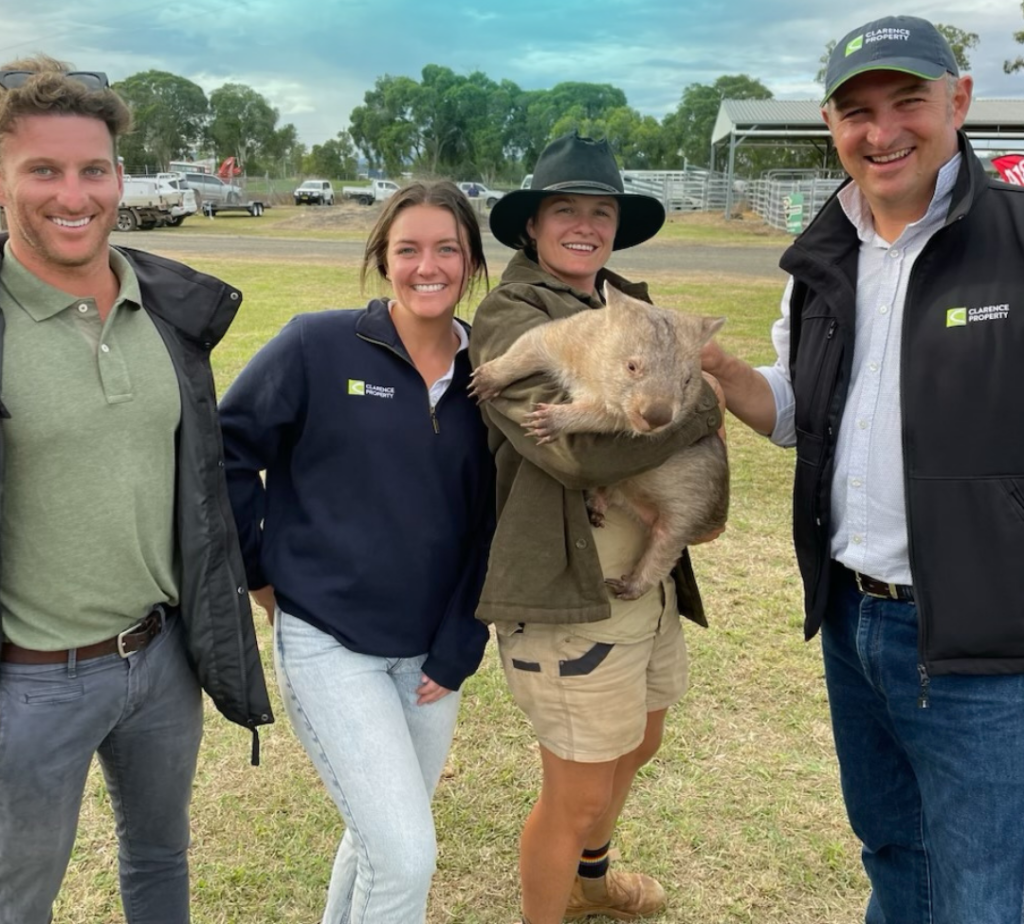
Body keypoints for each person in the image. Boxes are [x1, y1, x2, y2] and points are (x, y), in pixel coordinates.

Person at [702, 14, 1024, 923]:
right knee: (892, 852)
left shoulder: (1015, 240)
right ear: (830, 125)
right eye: (856, 112)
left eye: (907, 102)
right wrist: (719, 371)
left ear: (959, 101)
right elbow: (802, 413)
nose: (881, 133)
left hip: (985, 643)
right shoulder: (822, 257)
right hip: (853, 619)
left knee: (985, 894)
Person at [0, 57, 273, 924]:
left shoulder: (165, 310)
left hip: (159, 660)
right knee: (16, 898)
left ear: (120, 178)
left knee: (160, 858)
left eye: (94, 169)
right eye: (42, 169)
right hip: (29, 684)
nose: (72, 194)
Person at [218, 179, 493, 924]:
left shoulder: (492, 373)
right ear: (382, 260)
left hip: (432, 657)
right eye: (408, 249)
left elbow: (496, 519)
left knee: (383, 841)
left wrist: (461, 641)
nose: (427, 266)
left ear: (471, 263)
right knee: (403, 856)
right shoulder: (318, 344)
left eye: (447, 249)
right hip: (328, 642)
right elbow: (226, 451)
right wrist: (259, 573)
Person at [470, 132, 723, 924]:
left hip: (636, 579)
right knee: (577, 789)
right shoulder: (513, 315)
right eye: (565, 211)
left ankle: (591, 882)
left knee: (639, 742)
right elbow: (574, 452)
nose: (585, 226)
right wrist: (699, 411)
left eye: (601, 213)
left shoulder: (628, 309)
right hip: (567, 586)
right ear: (532, 225)